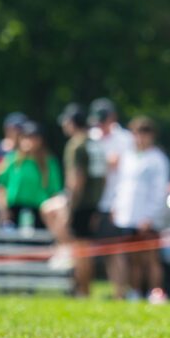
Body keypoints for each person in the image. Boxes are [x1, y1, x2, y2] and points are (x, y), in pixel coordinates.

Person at [112, 117, 170, 304]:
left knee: (151, 258)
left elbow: (159, 191)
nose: (139, 138)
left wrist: (150, 216)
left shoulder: (157, 159)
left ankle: (156, 292)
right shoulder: (128, 157)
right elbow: (121, 185)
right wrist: (116, 207)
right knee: (133, 258)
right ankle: (135, 292)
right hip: (128, 215)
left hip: (148, 217)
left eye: (144, 134)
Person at [57, 103, 107, 297]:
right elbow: (103, 178)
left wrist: (69, 207)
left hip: (80, 204)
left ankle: (81, 290)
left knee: (79, 250)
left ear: (71, 122)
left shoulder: (76, 145)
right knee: (86, 249)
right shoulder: (95, 144)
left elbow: (76, 179)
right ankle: (85, 289)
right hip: (94, 203)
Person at [89, 97, 135, 299]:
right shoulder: (92, 136)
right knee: (99, 250)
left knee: (115, 250)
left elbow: (127, 173)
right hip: (95, 202)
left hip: (115, 202)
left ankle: (120, 292)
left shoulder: (125, 139)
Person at [0, 121, 62, 229]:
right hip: (14, 209)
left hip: (40, 210)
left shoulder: (49, 162)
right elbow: (1, 186)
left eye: (33, 138)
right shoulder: (12, 160)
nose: (28, 141)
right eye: (25, 137)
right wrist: (3, 210)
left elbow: (54, 190)